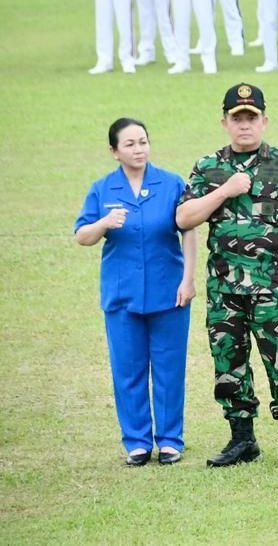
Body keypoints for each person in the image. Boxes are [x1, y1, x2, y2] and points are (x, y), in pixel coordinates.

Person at [176, 83, 278, 469]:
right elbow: (184, 217)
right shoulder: (208, 168)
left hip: (275, 290)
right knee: (228, 365)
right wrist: (223, 190)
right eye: (237, 118)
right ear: (224, 122)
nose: (244, 125)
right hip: (225, 290)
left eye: (251, 118)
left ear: (264, 120)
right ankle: (242, 439)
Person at [74, 118, 196, 466]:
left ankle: (170, 440)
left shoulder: (171, 183)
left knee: (169, 369)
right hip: (122, 295)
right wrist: (103, 224)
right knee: (128, 370)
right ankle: (137, 442)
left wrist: (188, 279)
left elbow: (187, 230)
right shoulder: (102, 190)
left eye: (143, 142)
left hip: (169, 292)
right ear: (114, 151)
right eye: (129, 144)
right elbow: (82, 235)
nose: (138, 149)